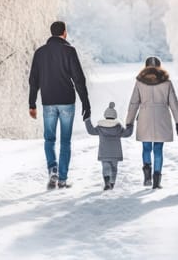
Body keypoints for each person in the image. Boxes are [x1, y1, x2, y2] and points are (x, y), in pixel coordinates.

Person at [29, 21, 91, 189]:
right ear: (64, 33)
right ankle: (62, 178)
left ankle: (52, 169)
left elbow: (33, 80)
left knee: (49, 139)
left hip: (48, 101)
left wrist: (32, 103)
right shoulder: (69, 51)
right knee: (65, 141)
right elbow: (79, 79)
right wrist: (86, 103)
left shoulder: (40, 53)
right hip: (67, 102)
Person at [126, 56, 178, 189]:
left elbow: (134, 103)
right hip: (161, 118)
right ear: (160, 66)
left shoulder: (140, 82)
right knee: (158, 149)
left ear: (145, 67)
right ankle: (157, 181)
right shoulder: (167, 82)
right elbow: (174, 104)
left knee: (146, 148)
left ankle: (147, 177)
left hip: (145, 118)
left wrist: (129, 122)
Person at [84, 102, 134, 190]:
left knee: (106, 167)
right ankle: (112, 183)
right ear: (115, 116)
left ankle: (107, 182)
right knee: (114, 169)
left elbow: (91, 131)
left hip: (104, 153)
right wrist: (130, 125)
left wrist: (87, 120)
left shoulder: (100, 128)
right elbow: (127, 133)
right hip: (115, 154)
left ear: (105, 116)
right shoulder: (118, 128)